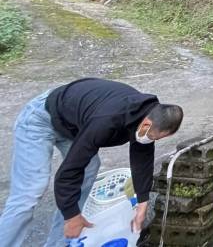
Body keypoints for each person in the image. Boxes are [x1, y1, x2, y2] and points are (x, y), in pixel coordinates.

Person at [0, 78, 184, 246]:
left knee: (90, 166)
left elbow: (142, 158)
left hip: (73, 126)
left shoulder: (148, 115)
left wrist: (142, 203)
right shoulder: (107, 120)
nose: (153, 140)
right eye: (153, 136)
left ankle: (58, 243)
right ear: (146, 125)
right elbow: (69, 172)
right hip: (40, 119)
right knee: (29, 192)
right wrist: (71, 215)